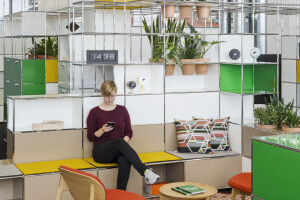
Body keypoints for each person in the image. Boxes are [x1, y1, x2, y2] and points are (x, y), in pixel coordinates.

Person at [87, 80, 160, 191]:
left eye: (112, 96)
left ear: (116, 93)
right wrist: (102, 130)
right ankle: (145, 172)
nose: (110, 100)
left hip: (119, 149)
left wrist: (123, 144)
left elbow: (129, 132)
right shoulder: (94, 112)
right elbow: (90, 137)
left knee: (125, 160)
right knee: (119, 141)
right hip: (100, 151)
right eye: (107, 97)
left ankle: (120, 193)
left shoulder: (122, 110)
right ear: (102, 94)